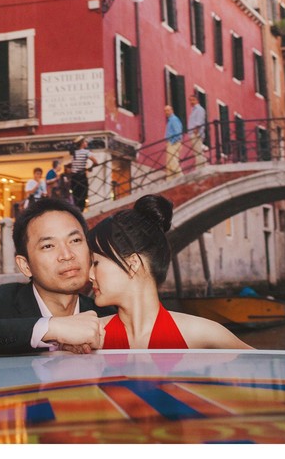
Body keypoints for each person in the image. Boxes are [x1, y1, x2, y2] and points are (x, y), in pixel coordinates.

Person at [0, 197, 113, 356]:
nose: (67, 255)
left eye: (75, 241)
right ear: (25, 265)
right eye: (48, 246)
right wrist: (50, 328)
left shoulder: (103, 314)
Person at [85, 194, 252, 350]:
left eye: (96, 263)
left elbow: (270, 372)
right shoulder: (89, 337)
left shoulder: (204, 335)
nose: (89, 275)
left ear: (132, 264)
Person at [70, 136, 96, 211]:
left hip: (73, 177)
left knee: (76, 196)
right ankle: (81, 210)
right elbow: (95, 162)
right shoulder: (86, 152)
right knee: (83, 195)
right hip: (81, 177)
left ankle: (77, 210)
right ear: (82, 143)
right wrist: (91, 167)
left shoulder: (74, 152)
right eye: (85, 142)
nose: (86, 143)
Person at [187, 94, 207, 168]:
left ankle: (200, 167)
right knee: (197, 152)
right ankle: (202, 165)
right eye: (190, 100)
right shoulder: (194, 110)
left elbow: (199, 121)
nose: (191, 102)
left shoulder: (199, 109)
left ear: (197, 100)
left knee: (198, 152)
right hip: (193, 133)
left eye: (193, 100)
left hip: (196, 133)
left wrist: (196, 131)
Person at [164, 105, 183, 179]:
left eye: (168, 110)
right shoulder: (170, 120)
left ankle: (181, 178)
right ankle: (169, 182)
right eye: (165, 111)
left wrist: (172, 142)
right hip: (171, 143)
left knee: (172, 162)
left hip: (173, 143)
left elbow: (178, 133)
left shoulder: (174, 119)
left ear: (172, 110)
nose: (166, 112)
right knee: (169, 164)